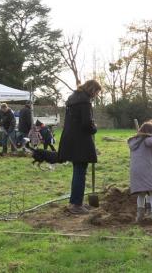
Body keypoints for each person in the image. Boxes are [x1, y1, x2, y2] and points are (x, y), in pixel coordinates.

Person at [58, 79, 102, 214]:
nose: (96, 95)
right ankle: (76, 205)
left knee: (77, 171)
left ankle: (75, 202)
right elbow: (86, 124)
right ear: (92, 89)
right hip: (80, 141)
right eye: (96, 92)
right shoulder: (85, 102)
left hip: (70, 139)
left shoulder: (73, 98)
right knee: (80, 173)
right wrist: (94, 127)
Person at [128, 122, 152, 224]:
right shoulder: (148, 141)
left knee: (141, 194)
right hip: (146, 170)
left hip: (134, 172)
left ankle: (139, 216)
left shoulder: (134, 141)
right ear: (151, 132)